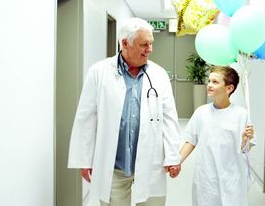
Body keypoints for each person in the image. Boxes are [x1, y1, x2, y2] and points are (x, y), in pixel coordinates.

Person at [68, 17, 181, 206]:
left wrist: (173, 156)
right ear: (125, 43)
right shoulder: (99, 72)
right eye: (144, 44)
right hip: (114, 164)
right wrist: (84, 159)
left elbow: (169, 118)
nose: (150, 49)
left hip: (151, 161)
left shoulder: (159, 74)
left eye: (151, 44)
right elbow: (86, 117)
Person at [173, 66, 255, 206]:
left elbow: (245, 150)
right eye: (209, 81)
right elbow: (191, 141)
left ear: (229, 88)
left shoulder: (241, 114)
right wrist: (177, 162)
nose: (209, 85)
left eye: (215, 82)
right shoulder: (201, 112)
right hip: (206, 177)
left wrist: (245, 140)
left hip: (232, 178)